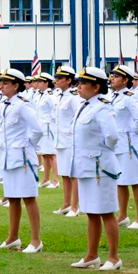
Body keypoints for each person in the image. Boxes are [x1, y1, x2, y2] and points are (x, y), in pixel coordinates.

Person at [70, 67, 122, 270]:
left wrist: (102, 152)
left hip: (100, 167)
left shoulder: (102, 107)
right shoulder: (83, 106)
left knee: (106, 212)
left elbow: (113, 137)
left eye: (83, 83)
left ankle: (114, 257)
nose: (79, 87)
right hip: (85, 166)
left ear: (96, 87)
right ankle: (91, 255)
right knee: (91, 211)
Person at [0, 68, 43, 254]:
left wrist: (27, 145)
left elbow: (37, 130)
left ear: (16, 85)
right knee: (13, 198)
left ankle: (36, 240)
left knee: (29, 198)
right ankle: (13, 237)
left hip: (22, 158)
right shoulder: (4, 104)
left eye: (5, 83)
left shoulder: (23, 105)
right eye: (1, 82)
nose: (1, 85)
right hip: (9, 158)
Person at [109, 66, 138, 230]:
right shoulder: (112, 96)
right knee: (121, 182)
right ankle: (123, 215)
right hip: (118, 145)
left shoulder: (129, 97)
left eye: (116, 76)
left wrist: (133, 137)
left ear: (125, 80)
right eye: (112, 75)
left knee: (135, 181)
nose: (112, 78)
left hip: (129, 145)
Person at [52, 66, 82, 216]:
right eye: (56, 78)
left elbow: (78, 118)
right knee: (64, 173)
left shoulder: (74, 97)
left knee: (73, 174)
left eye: (60, 78)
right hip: (61, 140)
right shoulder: (59, 95)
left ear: (69, 80)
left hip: (71, 140)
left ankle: (75, 206)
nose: (56, 80)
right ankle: (66, 204)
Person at [35, 73, 59, 188]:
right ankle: (46, 179)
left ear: (46, 83)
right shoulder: (41, 94)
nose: (38, 83)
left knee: (52, 154)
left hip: (49, 127)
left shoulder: (50, 95)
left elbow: (55, 110)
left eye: (40, 82)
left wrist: (53, 124)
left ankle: (55, 180)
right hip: (42, 127)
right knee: (45, 154)